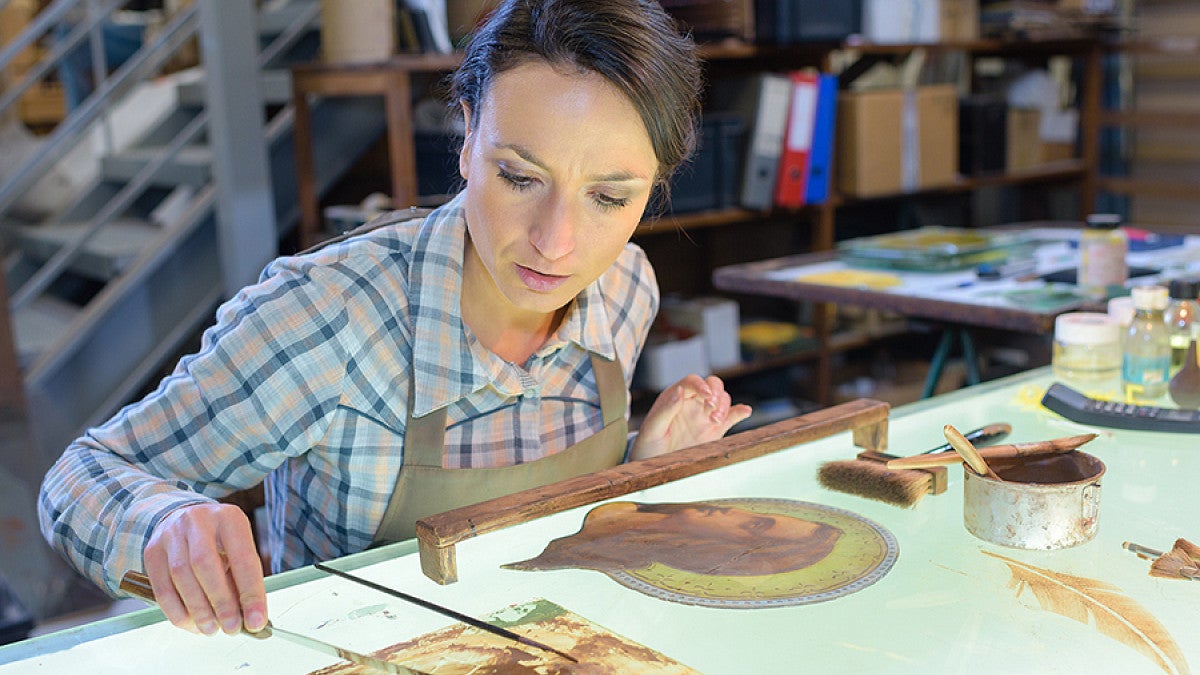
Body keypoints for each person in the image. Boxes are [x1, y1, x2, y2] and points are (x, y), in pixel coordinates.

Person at [39, 0, 752, 639]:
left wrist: (645, 469)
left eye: (608, 197)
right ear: (468, 137)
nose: (555, 242)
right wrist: (166, 524)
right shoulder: (327, 318)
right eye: (519, 177)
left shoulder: (627, 288)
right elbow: (84, 474)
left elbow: (553, 534)